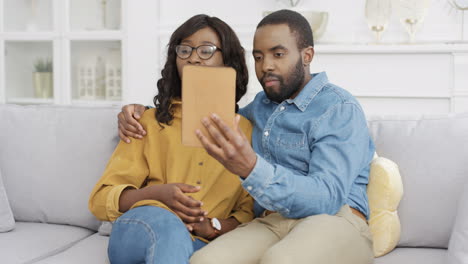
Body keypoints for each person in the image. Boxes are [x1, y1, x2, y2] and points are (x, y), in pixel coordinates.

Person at [118, 10, 375, 264]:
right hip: (274, 220)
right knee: (203, 260)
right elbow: (210, 118)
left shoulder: (338, 108)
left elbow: (326, 198)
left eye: (278, 54)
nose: (266, 66)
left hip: (336, 219)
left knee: (281, 260)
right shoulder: (260, 107)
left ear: (307, 55)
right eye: (258, 57)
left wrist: (251, 167)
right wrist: (144, 112)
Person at [88, 14, 254, 264]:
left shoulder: (245, 131)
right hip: (140, 228)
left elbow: (247, 212)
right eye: (184, 50)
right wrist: (157, 195)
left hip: (198, 242)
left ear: (227, 59)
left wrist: (213, 226)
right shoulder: (147, 123)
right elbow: (101, 201)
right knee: (167, 225)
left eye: (206, 50)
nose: (193, 57)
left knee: (184, 246)